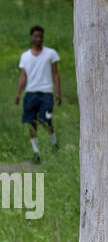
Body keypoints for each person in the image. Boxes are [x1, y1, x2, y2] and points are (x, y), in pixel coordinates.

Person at [15, 26, 61, 163]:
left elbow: (55, 73)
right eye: (36, 36)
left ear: (43, 37)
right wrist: (18, 93)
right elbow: (23, 76)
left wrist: (58, 93)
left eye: (40, 36)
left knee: (46, 121)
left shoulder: (50, 53)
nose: (38, 39)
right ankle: (36, 153)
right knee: (31, 123)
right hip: (30, 94)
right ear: (31, 37)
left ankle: (54, 145)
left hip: (46, 93)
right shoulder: (25, 56)